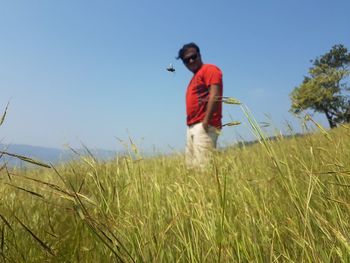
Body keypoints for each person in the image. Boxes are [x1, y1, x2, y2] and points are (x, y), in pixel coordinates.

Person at [177, 42, 223, 169]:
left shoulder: (209, 69)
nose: (191, 60)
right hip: (193, 126)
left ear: (199, 55)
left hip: (204, 126)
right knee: (191, 168)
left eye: (193, 56)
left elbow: (215, 95)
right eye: (187, 60)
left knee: (203, 168)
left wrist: (206, 122)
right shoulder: (195, 77)